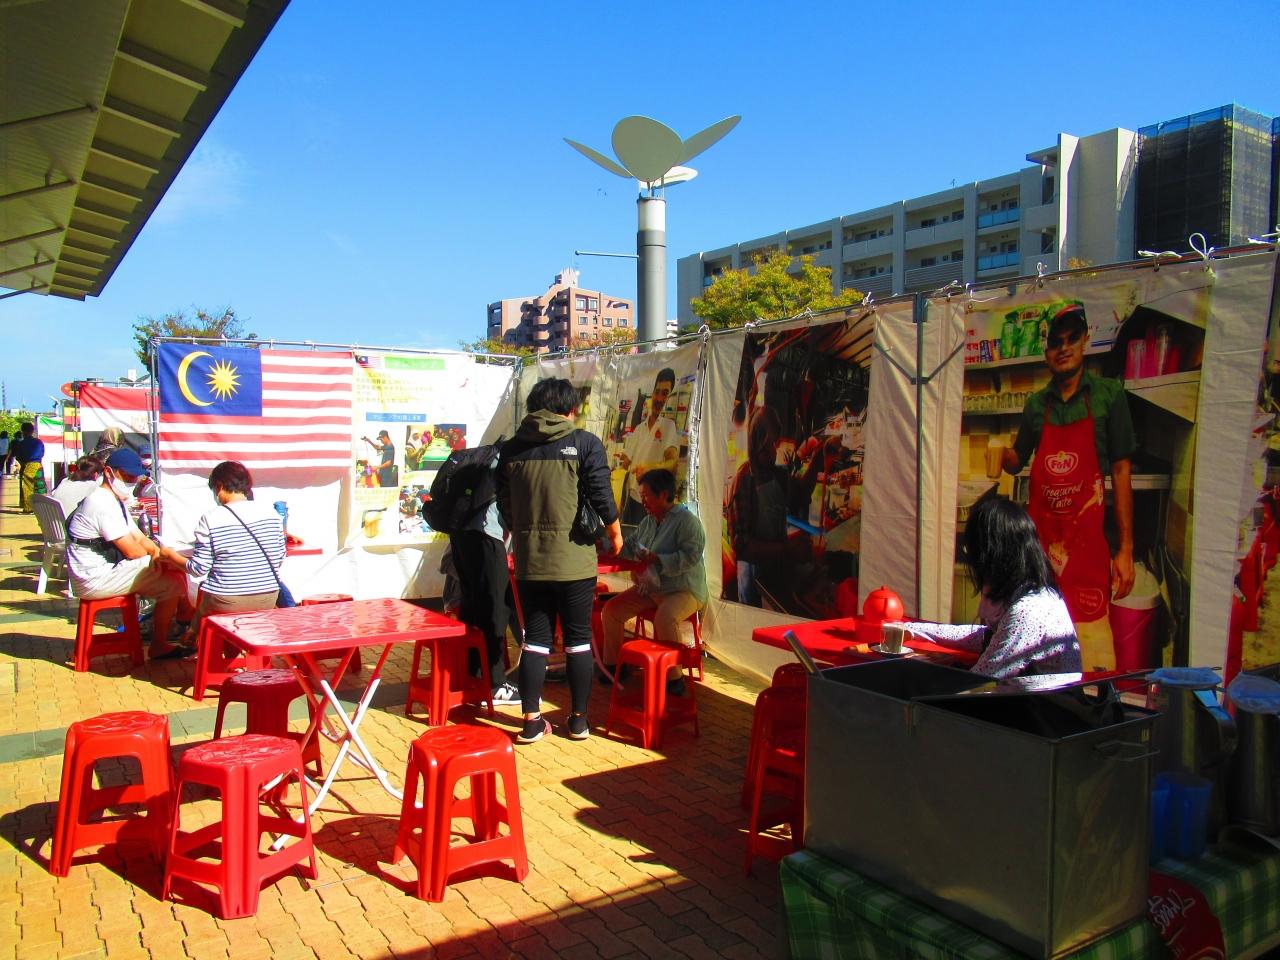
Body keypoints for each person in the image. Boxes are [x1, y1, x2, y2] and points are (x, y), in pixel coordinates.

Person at [999, 302, 1135, 672]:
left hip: (1087, 552)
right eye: (1056, 342)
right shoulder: (1035, 405)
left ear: (1085, 341)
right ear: (1046, 352)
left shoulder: (1108, 396)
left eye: (1072, 339)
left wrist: (1125, 550)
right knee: (1037, 649)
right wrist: (1003, 455)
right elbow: (1017, 461)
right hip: (1040, 554)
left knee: (1092, 658)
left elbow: (1121, 471)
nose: (1064, 348)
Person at [498, 377, 622, 744]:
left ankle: (531, 722)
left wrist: (524, 534)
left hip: (531, 563)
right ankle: (579, 721)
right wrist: (616, 534)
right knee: (578, 642)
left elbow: (505, 505)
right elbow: (602, 495)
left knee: (535, 642)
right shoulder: (585, 443)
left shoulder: (512, 450)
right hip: (575, 563)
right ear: (570, 409)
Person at [905, 497, 1082, 679]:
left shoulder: (1027, 611)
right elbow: (986, 636)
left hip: (1042, 697)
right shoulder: (1035, 592)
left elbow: (982, 680)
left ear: (990, 555)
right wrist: (912, 629)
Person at [66, 448, 190, 659]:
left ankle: (175, 626)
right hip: (93, 577)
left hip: (102, 570)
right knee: (172, 575)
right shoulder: (101, 503)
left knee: (173, 579)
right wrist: (160, 557)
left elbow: (140, 538)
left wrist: (156, 552)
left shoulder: (114, 501)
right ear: (109, 472)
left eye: (135, 477)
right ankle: (182, 621)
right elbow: (132, 551)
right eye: (127, 476)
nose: (132, 481)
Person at [600, 468, 706, 697]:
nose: (643, 501)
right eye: (641, 495)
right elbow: (629, 546)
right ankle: (613, 666)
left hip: (684, 589)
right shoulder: (648, 522)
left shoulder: (687, 522)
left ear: (664, 494)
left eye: (646, 495)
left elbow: (691, 556)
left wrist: (659, 560)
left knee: (665, 618)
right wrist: (608, 545)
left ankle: (674, 678)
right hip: (653, 588)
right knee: (611, 610)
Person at [161, 460, 285, 644]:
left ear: (219, 486)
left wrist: (170, 555)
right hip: (267, 596)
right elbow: (279, 557)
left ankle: (195, 635)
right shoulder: (272, 515)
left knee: (207, 595)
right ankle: (203, 636)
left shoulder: (211, 518)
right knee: (209, 595)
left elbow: (198, 569)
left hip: (226, 601)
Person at [448, 449, 520, 706]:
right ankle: (495, 684)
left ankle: (474, 674)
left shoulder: (491, 456)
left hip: (462, 534)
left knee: (472, 605)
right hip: (487, 535)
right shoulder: (513, 459)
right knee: (496, 609)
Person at [618, 368, 680, 527]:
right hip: (632, 498)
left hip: (651, 503)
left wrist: (649, 468)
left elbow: (673, 463)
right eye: (657, 392)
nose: (659, 398)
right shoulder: (639, 429)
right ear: (652, 393)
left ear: (669, 397)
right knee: (628, 537)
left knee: (646, 541)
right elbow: (626, 463)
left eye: (665, 393)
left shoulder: (669, 426)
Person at [10, 421, 47, 513]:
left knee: (27, 487)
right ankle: (43, 507)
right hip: (38, 465)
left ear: (23, 431)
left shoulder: (21, 444)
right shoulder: (39, 442)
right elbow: (42, 453)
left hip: (26, 466)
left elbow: (18, 457)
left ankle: (29, 508)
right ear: (32, 431)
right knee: (40, 487)